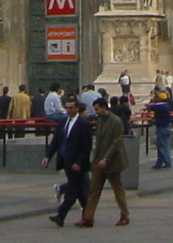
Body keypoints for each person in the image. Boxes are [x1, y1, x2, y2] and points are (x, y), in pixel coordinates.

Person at [77, 94, 130, 227]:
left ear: (104, 107)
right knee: (94, 190)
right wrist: (95, 160)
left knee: (118, 190)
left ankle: (125, 215)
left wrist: (106, 158)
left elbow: (116, 142)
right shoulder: (100, 120)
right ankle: (88, 217)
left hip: (112, 162)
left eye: (97, 109)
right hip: (99, 161)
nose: (96, 112)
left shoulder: (116, 121)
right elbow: (99, 141)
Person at [44, 94, 93, 226]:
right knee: (80, 191)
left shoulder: (83, 124)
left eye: (71, 108)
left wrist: (79, 162)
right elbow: (56, 141)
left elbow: (86, 147)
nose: (68, 110)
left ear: (77, 108)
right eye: (67, 108)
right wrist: (48, 156)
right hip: (66, 161)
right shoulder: (62, 122)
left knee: (72, 190)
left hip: (78, 164)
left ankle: (61, 215)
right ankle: (88, 217)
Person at [150, 89, 173, 169]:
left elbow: (150, 106)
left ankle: (168, 163)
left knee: (163, 146)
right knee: (161, 146)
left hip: (162, 128)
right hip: (166, 127)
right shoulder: (166, 105)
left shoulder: (160, 106)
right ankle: (159, 163)